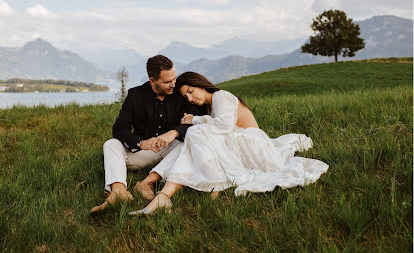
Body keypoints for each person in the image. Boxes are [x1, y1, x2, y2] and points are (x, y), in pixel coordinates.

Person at [129, 71, 329, 215]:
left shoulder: (221, 96)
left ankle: (205, 187)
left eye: (191, 91)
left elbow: (224, 127)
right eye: (186, 96)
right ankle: (164, 196)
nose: (190, 98)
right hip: (240, 141)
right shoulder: (212, 105)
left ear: (201, 84)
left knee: (196, 133)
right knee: (195, 137)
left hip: (252, 143)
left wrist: (194, 120)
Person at [90, 58, 206, 213]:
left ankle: (147, 183)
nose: (173, 84)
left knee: (185, 145)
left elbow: (196, 121)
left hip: (170, 151)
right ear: (153, 81)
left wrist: (175, 132)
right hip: (141, 152)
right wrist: (141, 143)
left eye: (174, 79)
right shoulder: (135, 95)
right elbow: (119, 129)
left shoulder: (180, 94)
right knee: (110, 144)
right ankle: (118, 191)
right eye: (167, 82)